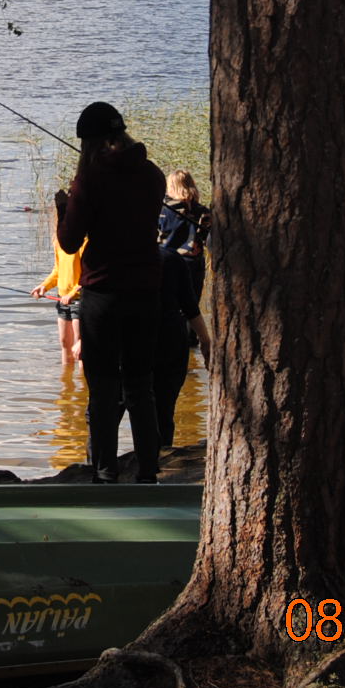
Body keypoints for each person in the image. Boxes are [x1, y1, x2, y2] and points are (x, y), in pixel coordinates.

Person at [56, 101, 166, 483]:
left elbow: (69, 243)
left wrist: (63, 209)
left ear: (91, 144)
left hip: (103, 295)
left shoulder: (90, 180)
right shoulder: (153, 175)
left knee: (102, 388)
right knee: (140, 385)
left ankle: (105, 472)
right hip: (146, 293)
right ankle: (149, 472)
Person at [152, 245, 213, 449]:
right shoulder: (170, 258)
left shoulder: (117, 255)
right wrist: (205, 340)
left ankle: (101, 472)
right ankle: (156, 467)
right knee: (164, 411)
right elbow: (190, 306)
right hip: (170, 341)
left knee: (111, 409)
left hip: (134, 342)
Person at [30, 230, 86, 366]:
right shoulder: (58, 243)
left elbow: (87, 275)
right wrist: (44, 286)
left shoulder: (84, 243)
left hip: (79, 300)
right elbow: (57, 271)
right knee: (64, 342)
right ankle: (66, 383)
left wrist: (72, 294)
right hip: (62, 300)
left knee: (79, 347)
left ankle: (83, 383)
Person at [158, 169, 211, 305]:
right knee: (191, 308)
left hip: (167, 263)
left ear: (170, 186)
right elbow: (209, 240)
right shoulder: (203, 212)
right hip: (193, 266)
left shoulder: (162, 209)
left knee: (167, 306)